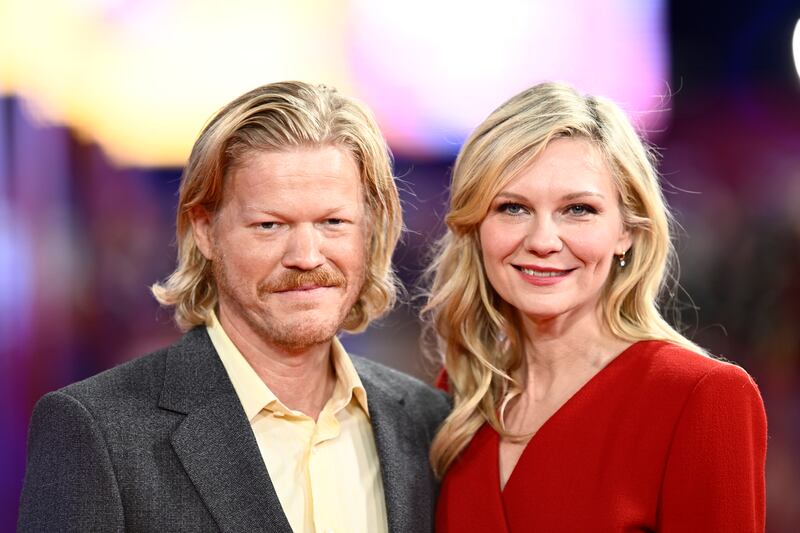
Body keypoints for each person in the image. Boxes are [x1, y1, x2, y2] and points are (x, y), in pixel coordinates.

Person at [18, 81, 449, 532]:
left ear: (370, 228)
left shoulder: (427, 421)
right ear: (205, 230)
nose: (306, 254)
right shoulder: (98, 431)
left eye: (333, 222)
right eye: (269, 225)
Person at [426, 82, 767, 532]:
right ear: (476, 227)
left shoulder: (701, 397)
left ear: (626, 230)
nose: (543, 241)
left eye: (578, 210)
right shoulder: (464, 392)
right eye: (512, 208)